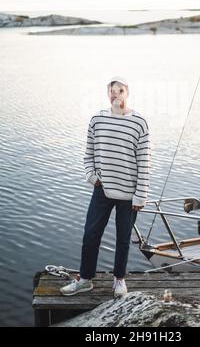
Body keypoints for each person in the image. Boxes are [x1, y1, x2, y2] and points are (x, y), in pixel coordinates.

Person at [60, 76, 151, 297]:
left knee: (123, 239)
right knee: (90, 234)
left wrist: (141, 196)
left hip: (129, 194)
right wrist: (93, 177)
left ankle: (119, 280)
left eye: (120, 90)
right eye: (112, 90)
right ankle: (85, 279)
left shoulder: (140, 122)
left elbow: (145, 161)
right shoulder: (97, 120)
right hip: (102, 189)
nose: (115, 94)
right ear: (107, 93)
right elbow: (88, 154)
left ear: (127, 93)